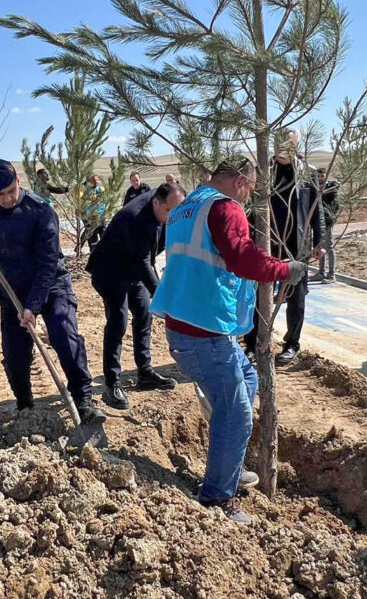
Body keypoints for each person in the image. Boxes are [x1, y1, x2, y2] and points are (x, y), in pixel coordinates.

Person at [150, 158, 311, 525]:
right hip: (202, 331)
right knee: (236, 410)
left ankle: (228, 467)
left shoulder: (186, 206)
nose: (250, 195)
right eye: (252, 187)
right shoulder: (224, 207)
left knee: (247, 382)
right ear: (240, 180)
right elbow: (240, 257)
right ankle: (218, 496)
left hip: (190, 322)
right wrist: (284, 269)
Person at [0, 160, 106, 425]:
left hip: (51, 284)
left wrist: (33, 306)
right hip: (12, 289)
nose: (8, 198)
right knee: (14, 353)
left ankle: (84, 400)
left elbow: (47, 263)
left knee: (65, 337)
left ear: (18, 181)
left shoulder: (41, 211)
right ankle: (25, 406)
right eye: (1, 195)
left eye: (11, 191)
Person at [87, 182, 186, 409]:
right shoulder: (136, 218)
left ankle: (145, 372)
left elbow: (148, 258)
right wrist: (163, 297)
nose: (174, 217)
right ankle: (112, 385)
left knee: (144, 315)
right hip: (110, 271)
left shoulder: (165, 205)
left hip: (132, 269)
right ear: (156, 202)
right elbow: (143, 263)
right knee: (117, 322)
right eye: (170, 211)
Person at [242, 150, 326, 365]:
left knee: (296, 299)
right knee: (259, 296)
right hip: (265, 244)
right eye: (281, 144)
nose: (285, 150)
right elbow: (249, 208)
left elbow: (317, 209)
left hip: (297, 247)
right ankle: (253, 344)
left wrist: (320, 241)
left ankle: (291, 344)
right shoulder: (264, 171)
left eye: (290, 144)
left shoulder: (307, 173)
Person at [315, 167, 340, 283]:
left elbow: (335, 205)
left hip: (327, 221)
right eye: (318, 176)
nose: (320, 178)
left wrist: (329, 217)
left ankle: (331, 274)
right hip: (317, 222)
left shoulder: (331, 189)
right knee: (320, 246)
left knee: (329, 246)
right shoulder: (315, 187)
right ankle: (321, 272)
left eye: (322, 176)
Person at [83, 174, 107, 250]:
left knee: (102, 232)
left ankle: (105, 249)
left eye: (97, 180)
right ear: (90, 181)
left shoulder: (101, 188)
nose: (96, 181)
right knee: (92, 234)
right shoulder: (86, 190)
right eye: (94, 180)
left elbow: (105, 198)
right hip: (90, 215)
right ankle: (93, 250)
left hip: (101, 214)